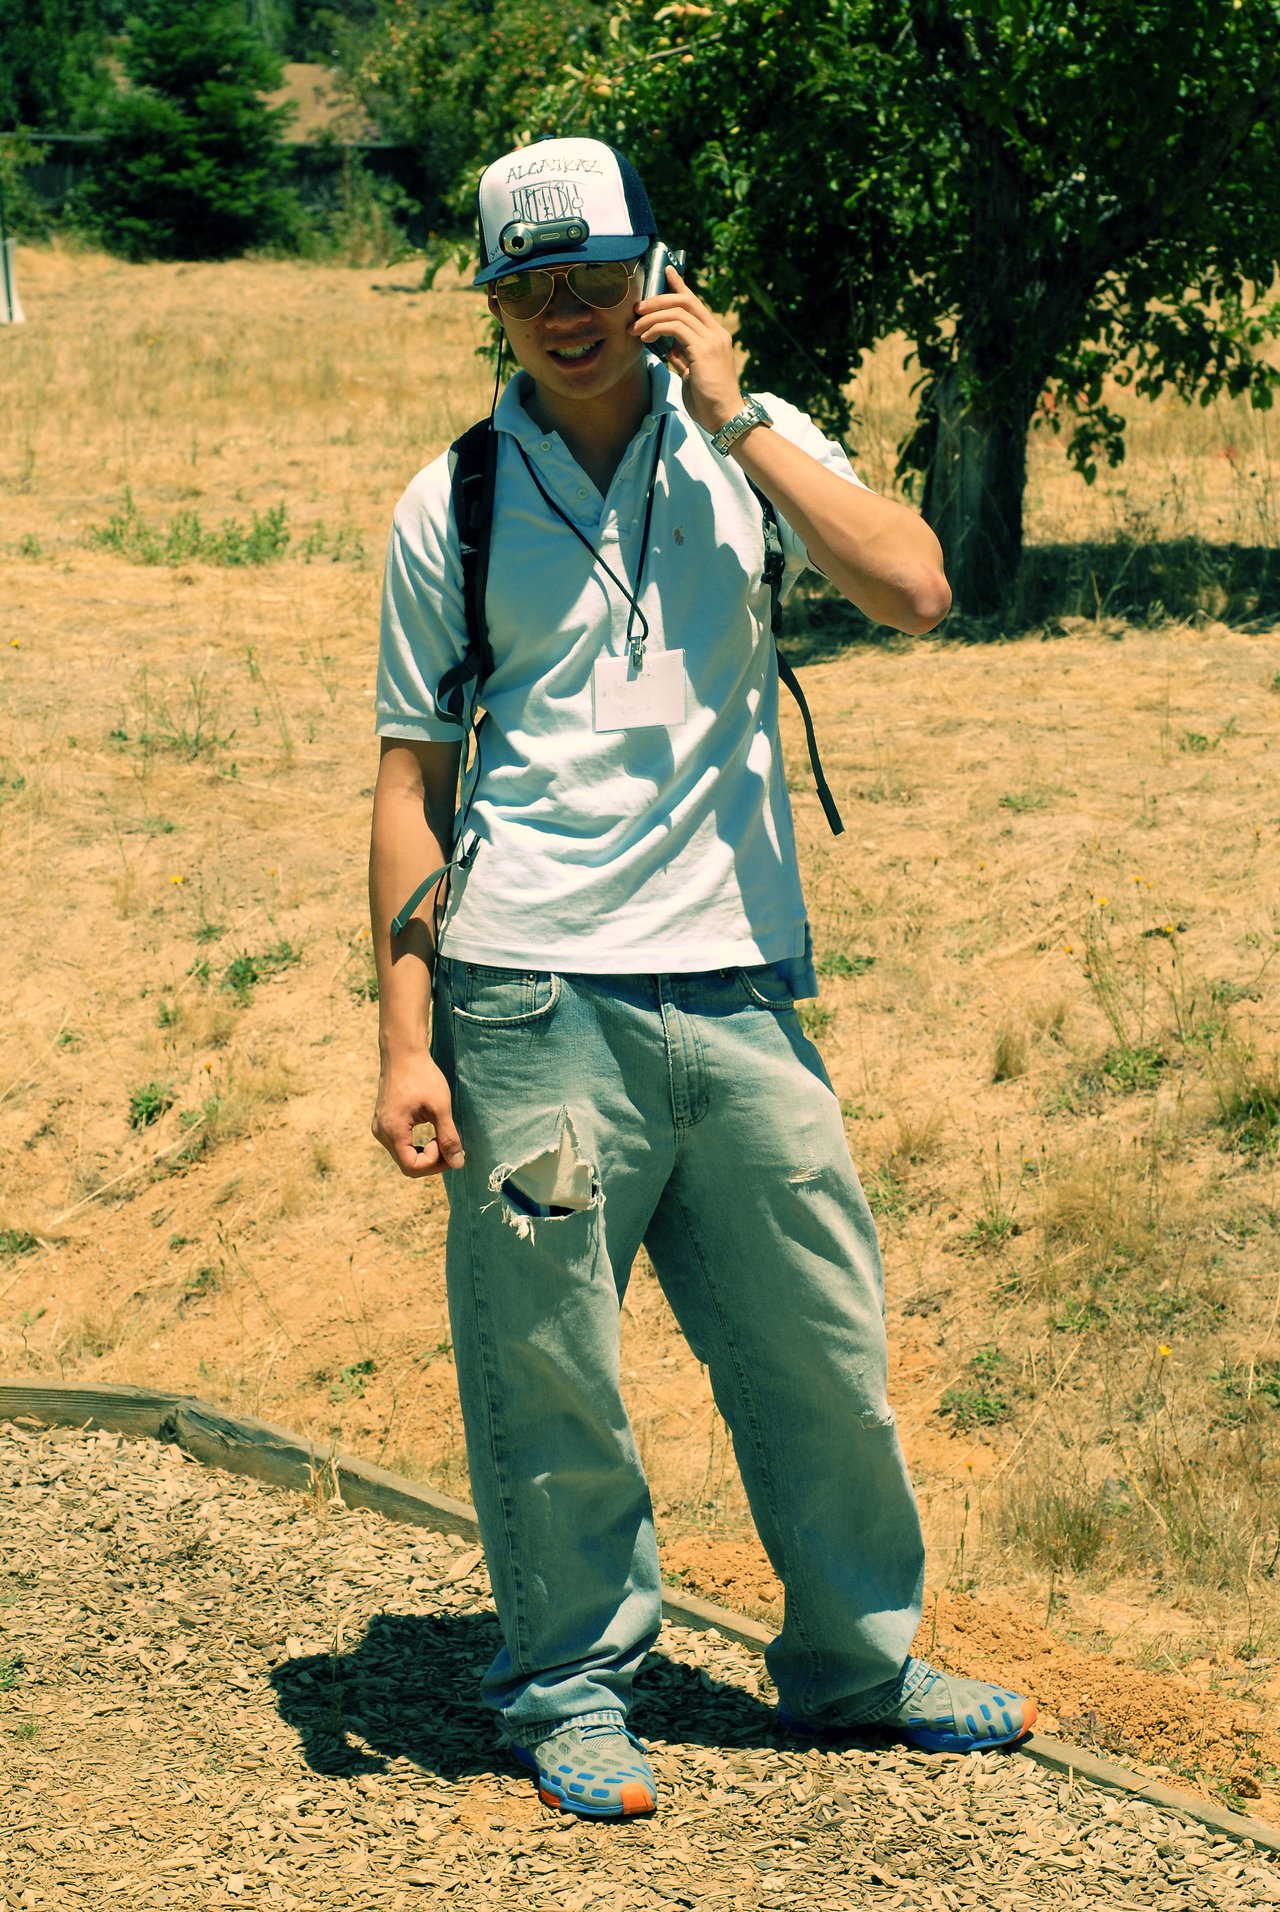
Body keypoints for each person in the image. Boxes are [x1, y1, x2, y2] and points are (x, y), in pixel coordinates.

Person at [369, 135, 1036, 1821]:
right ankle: (573, 1688)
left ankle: (859, 1667)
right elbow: (408, 791)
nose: (568, 313)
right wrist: (404, 1043)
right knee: (552, 1371)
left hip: (738, 984)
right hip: (527, 995)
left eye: (595, 273)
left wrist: (735, 407)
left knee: (822, 1345)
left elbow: (916, 591)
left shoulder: (755, 447)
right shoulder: (445, 502)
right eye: (529, 288)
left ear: (654, 270)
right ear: (499, 309)